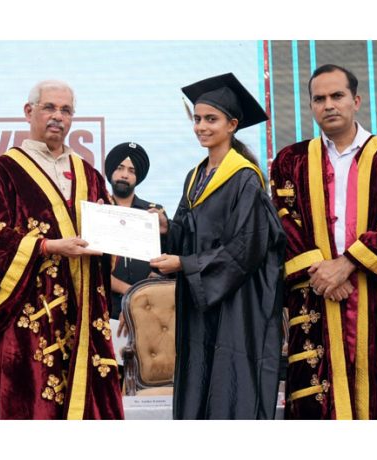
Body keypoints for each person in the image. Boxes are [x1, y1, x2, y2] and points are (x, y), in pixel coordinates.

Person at [0, 80, 124, 419]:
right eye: (49, 108)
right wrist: (48, 246)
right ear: (29, 112)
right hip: (29, 320)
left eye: (66, 110)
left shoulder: (91, 175)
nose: (58, 117)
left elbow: (110, 240)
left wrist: (122, 237)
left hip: (84, 315)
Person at [152, 73, 286, 419]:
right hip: (201, 304)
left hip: (237, 307)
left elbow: (246, 248)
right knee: (199, 380)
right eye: (197, 119)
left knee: (231, 386)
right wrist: (168, 229)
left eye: (210, 119)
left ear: (232, 124)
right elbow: (188, 234)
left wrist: (185, 265)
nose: (200, 127)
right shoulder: (196, 175)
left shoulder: (245, 178)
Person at [270, 64, 377, 420]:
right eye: (319, 99)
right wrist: (325, 276)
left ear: (355, 100)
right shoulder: (290, 160)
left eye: (337, 96)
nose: (329, 105)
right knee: (316, 402)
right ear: (310, 107)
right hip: (314, 294)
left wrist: (347, 264)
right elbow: (283, 222)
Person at [104, 142, 162, 326]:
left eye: (132, 170)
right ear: (111, 171)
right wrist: (131, 293)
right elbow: (93, 269)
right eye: (120, 168)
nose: (124, 175)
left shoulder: (154, 214)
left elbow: (165, 263)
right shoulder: (99, 210)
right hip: (106, 309)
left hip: (148, 307)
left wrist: (139, 297)